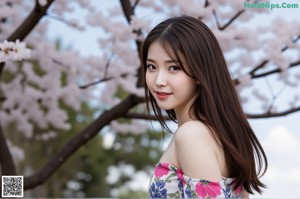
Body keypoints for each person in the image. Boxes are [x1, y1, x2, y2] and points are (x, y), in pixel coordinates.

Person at [140, 16, 268, 198]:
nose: (159, 81)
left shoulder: (191, 135)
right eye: (151, 66)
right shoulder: (228, 134)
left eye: (174, 68)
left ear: (200, 72)